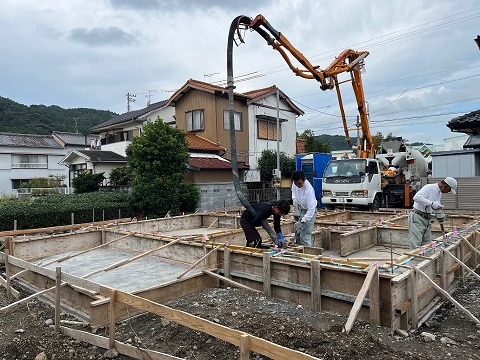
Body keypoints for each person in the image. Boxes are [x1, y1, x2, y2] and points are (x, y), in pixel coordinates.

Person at [409, 177, 457, 249]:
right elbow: (416, 197)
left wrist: (439, 212)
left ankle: (424, 259)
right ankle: (413, 259)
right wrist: (431, 203)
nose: (448, 192)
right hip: (418, 218)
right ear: (445, 186)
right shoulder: (430, 187)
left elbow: (434, 206)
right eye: (449, 190)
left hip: (427, 219)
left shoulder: (439, 192)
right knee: (416, 244)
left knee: (427, 244)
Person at [291, 170, 318, 246]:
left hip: (310, 213)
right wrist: (295, 200)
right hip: (301, 209)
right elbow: (293, 191)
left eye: (299, 183)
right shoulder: (295, 183)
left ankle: (308, 254)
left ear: (304, 179)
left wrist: (302, 221)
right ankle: (299, 252)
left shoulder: (309, 190)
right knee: (298, 234)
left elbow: (311, 210)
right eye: (296, 183)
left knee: (305, 236)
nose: (298, 185)